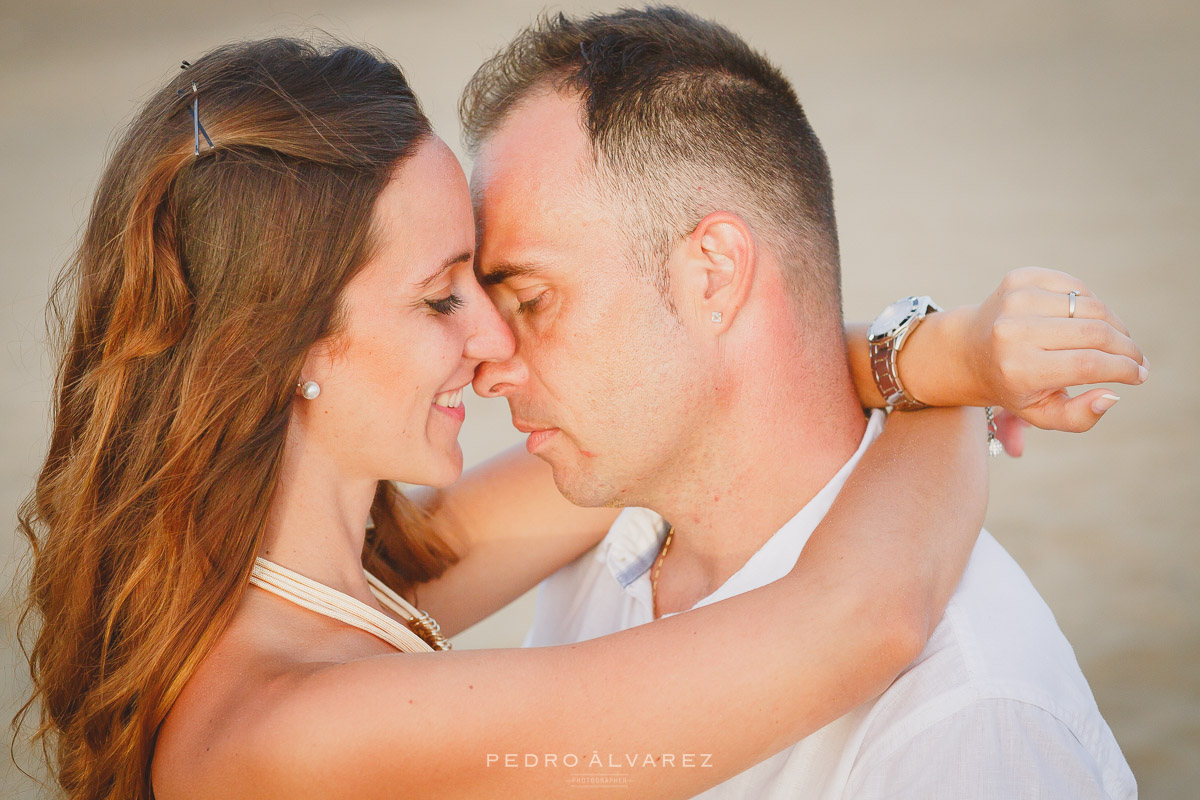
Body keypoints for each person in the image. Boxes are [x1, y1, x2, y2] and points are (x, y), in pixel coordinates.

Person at [13, 36, 1133, 800]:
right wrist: (958, 372)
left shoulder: (349, 579)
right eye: (442, 295)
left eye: (512, 293)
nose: (496, 346)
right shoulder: (287, 721)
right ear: (286, 345)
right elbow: (863, 622)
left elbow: (718, 400)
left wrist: (923, 354)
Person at [455, 7, 1140, 798]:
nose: (487, 368)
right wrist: (939, 367)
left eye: (532, 301)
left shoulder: (964, 721)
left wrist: (939, 370)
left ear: (712, 271)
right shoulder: (599, 546)